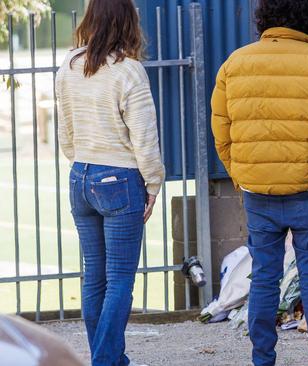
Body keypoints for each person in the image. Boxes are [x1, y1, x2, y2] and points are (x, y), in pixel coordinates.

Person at [210, 0, 308, 364]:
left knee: (263, 277)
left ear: (263, 17)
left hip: (257, 192)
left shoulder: (234, 63)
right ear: (307, 16)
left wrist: (241, 175)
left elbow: (222, 133)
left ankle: (263, 358)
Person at [55, 0, 164, 365]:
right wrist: (153, 184)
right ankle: (104, 361)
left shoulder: (69, 65)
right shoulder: (129, 71)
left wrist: (82, 163)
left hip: (80, 175)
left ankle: (112, 359)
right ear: (127, 22)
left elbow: (65, 133)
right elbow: (144, 139)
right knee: (119, 280)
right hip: (120, 179)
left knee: (94, 279)